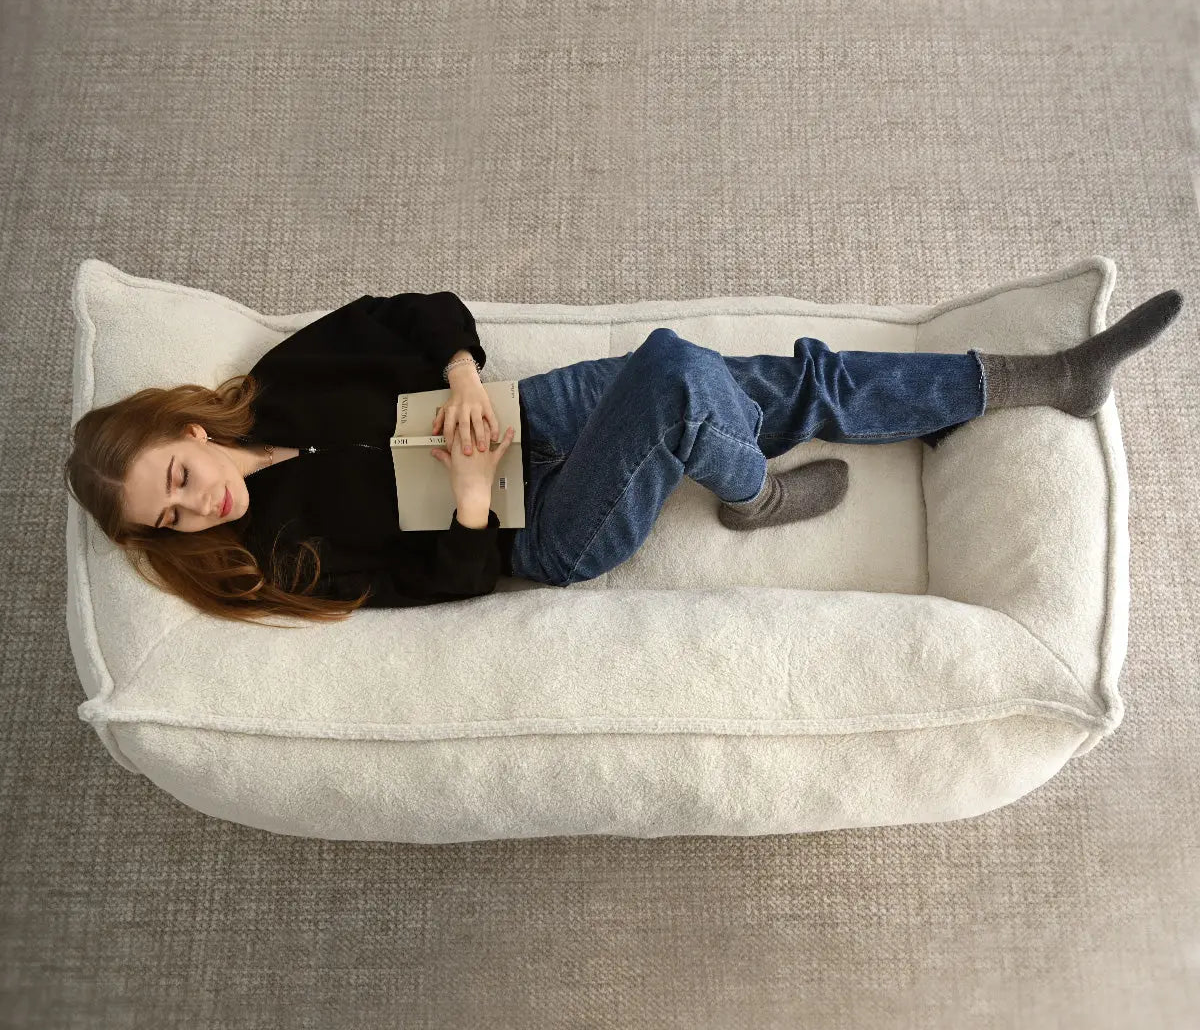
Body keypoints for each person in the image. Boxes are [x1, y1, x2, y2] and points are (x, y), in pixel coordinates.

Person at [63, 287, 1184, 626]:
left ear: (186, 432)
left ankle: (1034, 382)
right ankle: (749, 491)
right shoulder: (276, 555)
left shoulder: (285, 382)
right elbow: (444, 584)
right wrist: (463, 496)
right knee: (675, 370)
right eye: (168, 522)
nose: (193, 510)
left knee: (764, 380)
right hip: (545, 529)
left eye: (174, 480)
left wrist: (457, 376)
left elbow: (417, 310)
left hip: (516, 417)